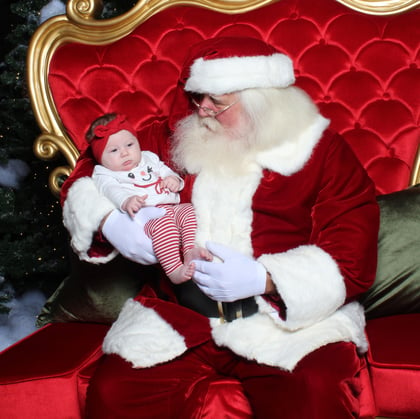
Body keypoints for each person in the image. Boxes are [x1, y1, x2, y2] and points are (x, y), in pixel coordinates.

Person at [60, 37, 379, 418]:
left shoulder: (321, 151)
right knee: (115, 391)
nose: (203, 110)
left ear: (263, 100)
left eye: (217, 100)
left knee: (316, 389)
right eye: (197, 97)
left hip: (284, 323)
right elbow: (86, 169)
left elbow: (352, 251)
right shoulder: (173, 136)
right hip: (178, 317)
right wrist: (109, 220)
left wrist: (266, 279)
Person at [86, 112, 210, 284]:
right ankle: (174, 269)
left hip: (171, 207)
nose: (125, 153)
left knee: (189, 211)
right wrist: (126, 200)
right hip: (146, 217)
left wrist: (174, 180)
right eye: (114, 150)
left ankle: (190, 250)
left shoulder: (148, 158)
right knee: (163, 225)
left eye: (129, 144)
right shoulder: (103, 173)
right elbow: (111, 190)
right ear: (100, 158)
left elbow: (164, 169)